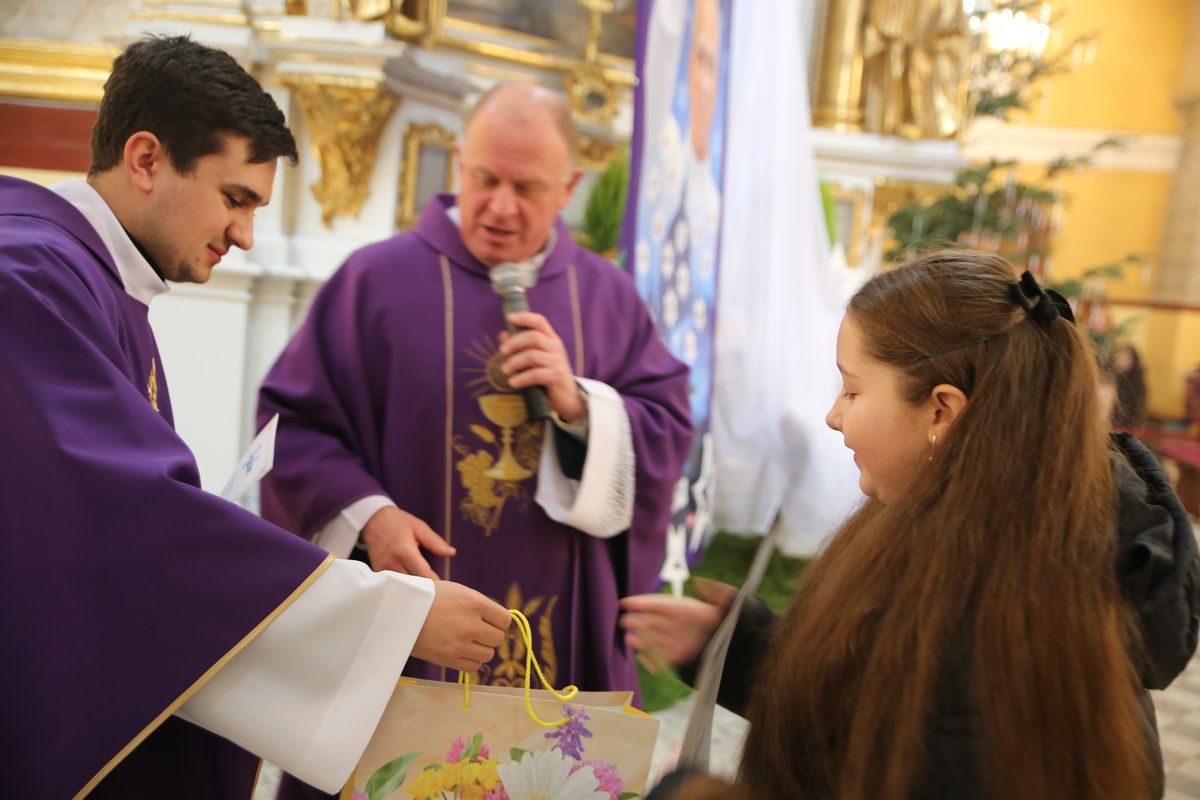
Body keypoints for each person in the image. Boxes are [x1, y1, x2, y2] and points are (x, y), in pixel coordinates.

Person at [0, 35, 512, 799]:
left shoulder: (94, 280)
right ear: (145, 160)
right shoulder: (29, 278)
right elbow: (129, 529)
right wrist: (394, 616)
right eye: (235, 198)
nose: (243, 234)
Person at [621, 250, 1199, 799]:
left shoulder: (1004, 635)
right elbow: (876, 708)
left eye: (852, 389)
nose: (833, 415)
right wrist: (741, 650)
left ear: (941, 410)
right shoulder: (980, 538)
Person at [256, 83, 692, 796]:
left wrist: (581, 406)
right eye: (485, 178)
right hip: (407, 630)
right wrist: (371, 516)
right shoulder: (374, 282)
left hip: (559, 646)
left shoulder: (606, 297)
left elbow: (667, 426)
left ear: (569, 187)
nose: (500, 206)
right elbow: (292, 428)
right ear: (459, 160)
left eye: (528, 188)